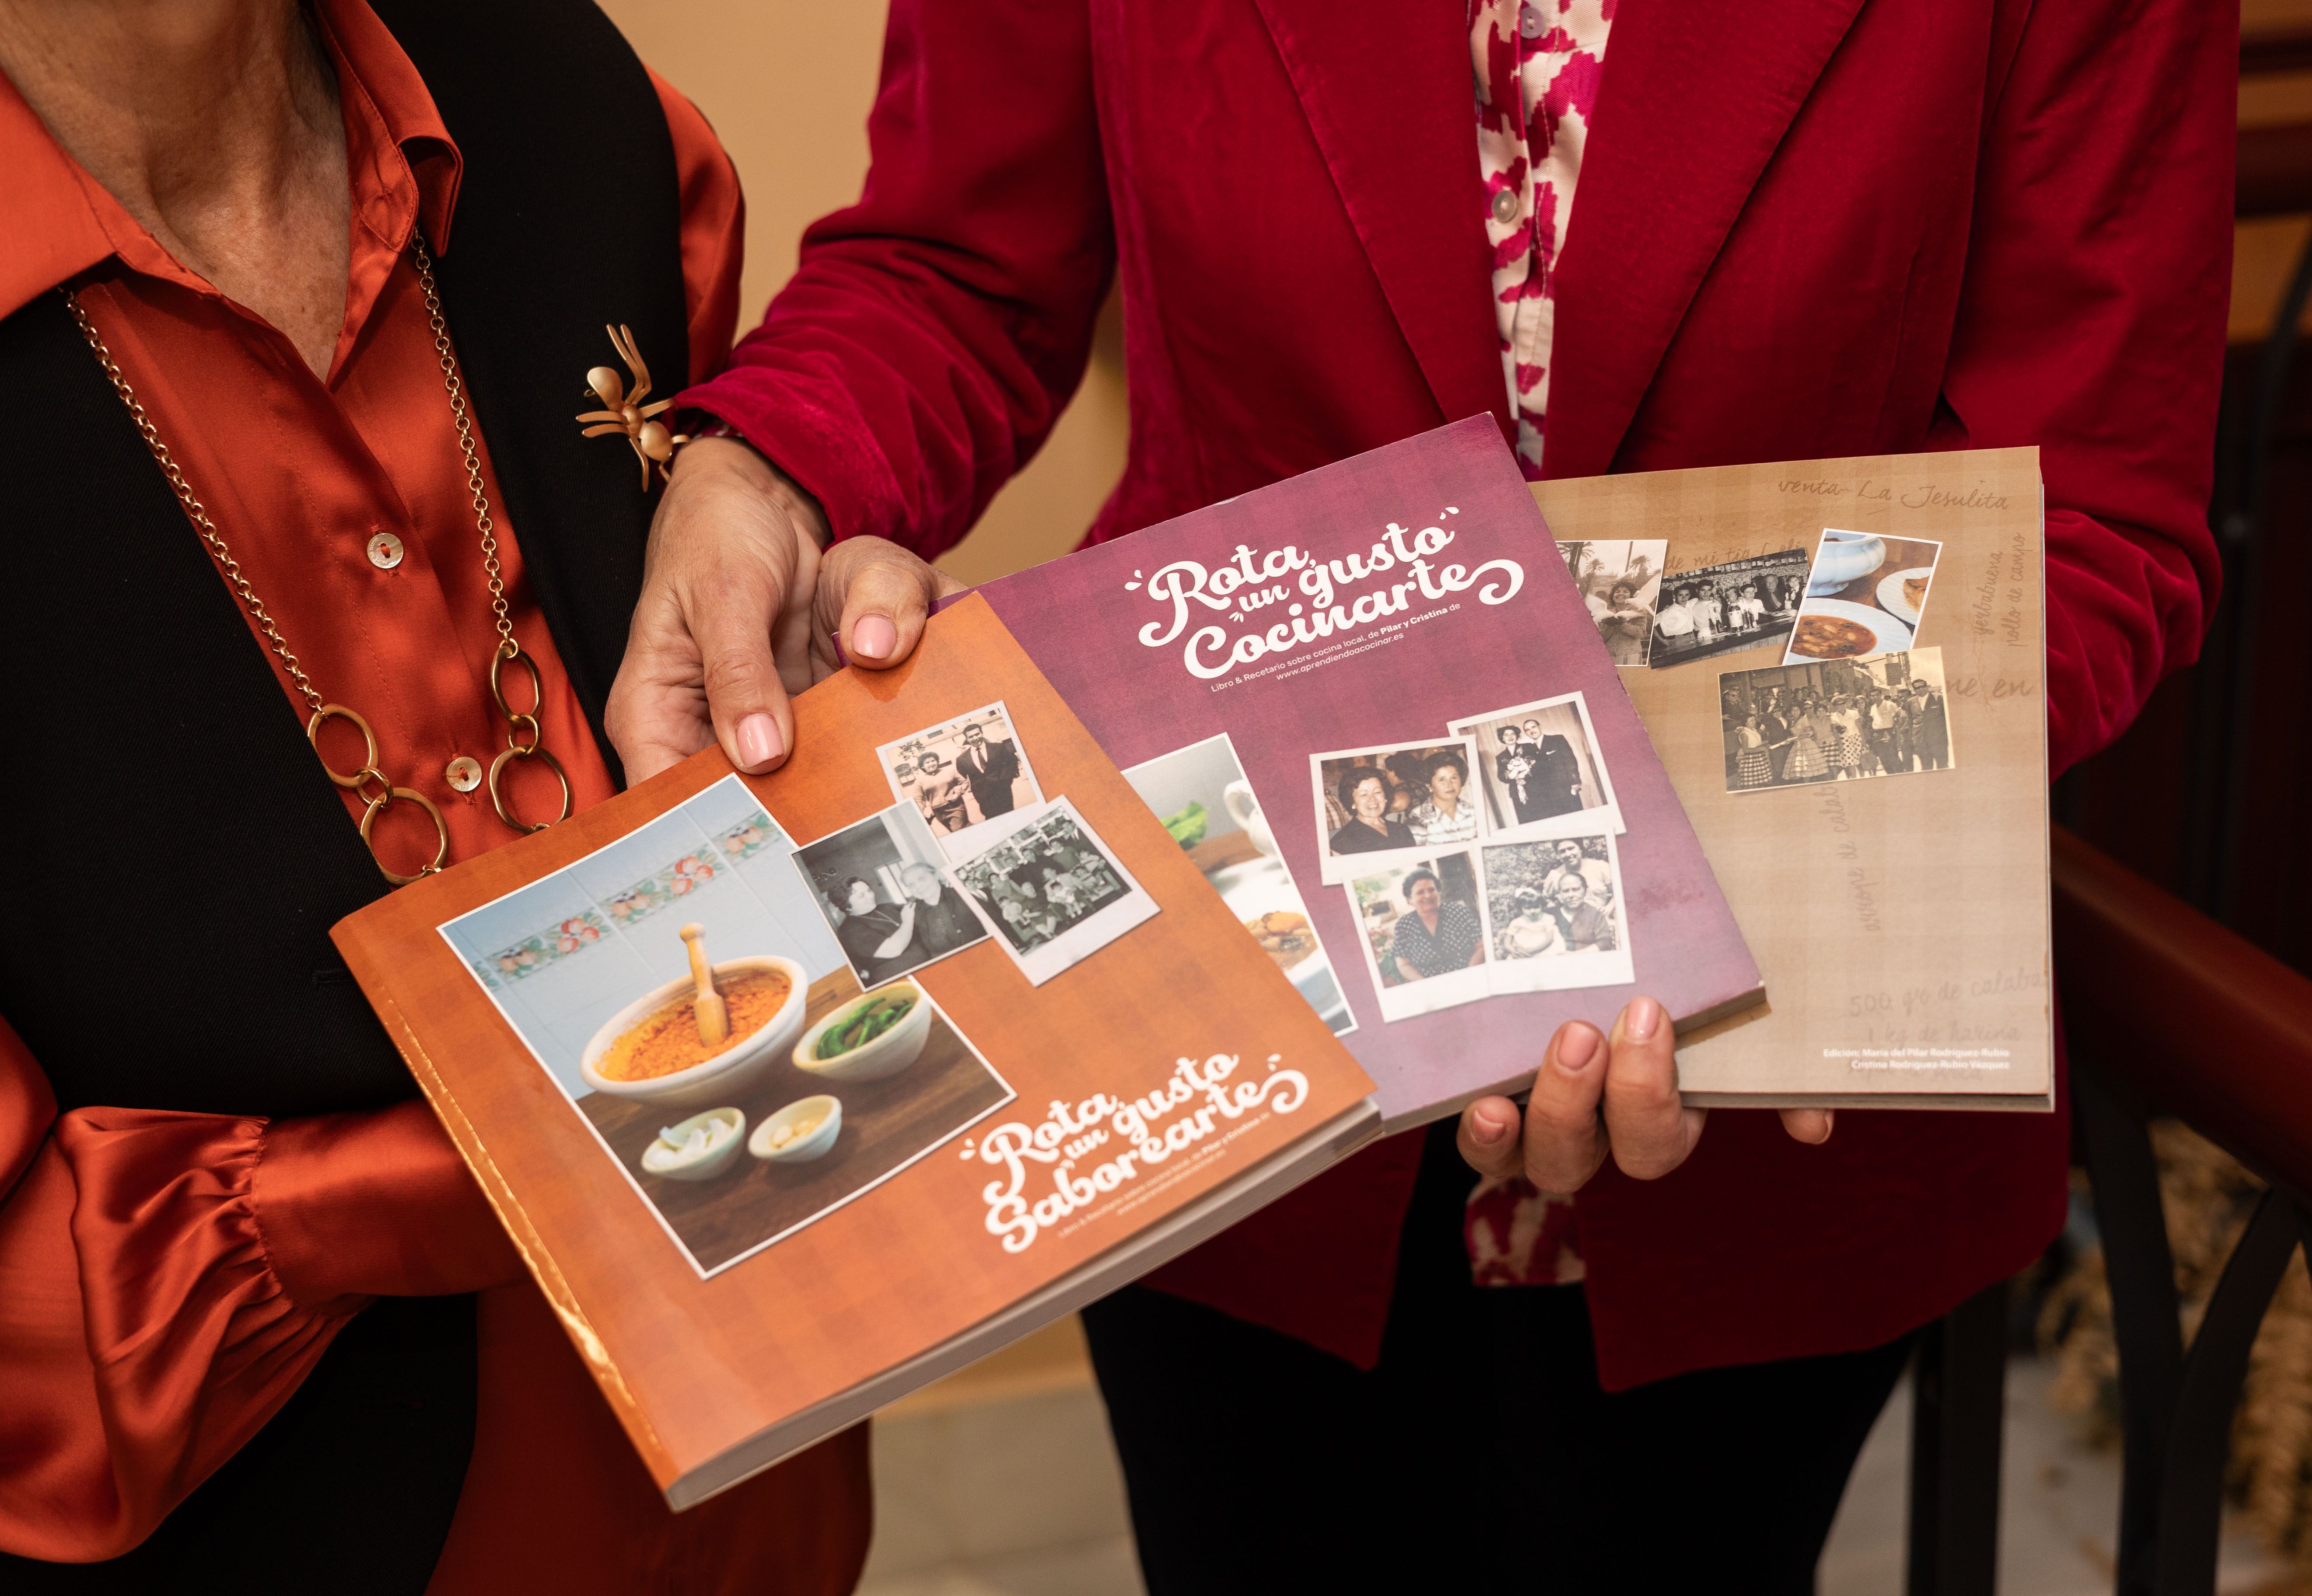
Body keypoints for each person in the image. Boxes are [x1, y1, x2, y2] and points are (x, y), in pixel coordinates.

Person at [601, 0, 2230, 1584]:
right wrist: (764, 468)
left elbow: (2087, 511)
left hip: (1753, 1083)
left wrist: (1722, 856)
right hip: (1237, 1016)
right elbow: (958, 267)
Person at [0, 0, 874, 1585]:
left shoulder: (561, 94)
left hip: (757, 1478)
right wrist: (428, 1186)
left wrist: (803, 667)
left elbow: (681, 647)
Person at [1389, 868, 1485, 982]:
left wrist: (1469, 975)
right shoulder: (1404, 926)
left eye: (1432, 890)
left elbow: (1481, 946)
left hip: (1470, 979)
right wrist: (1427, 985)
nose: (1428, 896)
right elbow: (1404, 965)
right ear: (1409, 900)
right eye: (1420, 892)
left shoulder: (1458, 912)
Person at [834, 876, 913, 982]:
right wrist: (908, 921)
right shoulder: (849, 930)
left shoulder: (886, 907)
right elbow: (894, 949)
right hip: (897, 980)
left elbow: (915, 908)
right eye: (862, 896)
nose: (871, 896)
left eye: (869, 891)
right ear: (847, 906)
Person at [1326, 766, 1417, 855]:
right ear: (1352, 802)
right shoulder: (1342, 842)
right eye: (1364, 795)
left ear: (1385, 797)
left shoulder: (1401, 830)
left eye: (1378, 792)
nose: (1372, 799)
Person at [899, 860, 982, 956]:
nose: (918, 887)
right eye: (911, 885)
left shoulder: (962, 895)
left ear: (936, 876)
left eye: (921, 879)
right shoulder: (912, 914)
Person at [1516, 717, 1585, 820]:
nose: (1531, 731)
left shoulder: (1557, 739)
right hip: (1546, 792)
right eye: (1527, 730)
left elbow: (1570, 761)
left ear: (1540, 727)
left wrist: (1575, 782)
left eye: (1533, 727)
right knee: (1558, 819)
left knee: (1574, 815)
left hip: (1564, 786)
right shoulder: (1529, 750)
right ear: (1526, 733)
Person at [954, 720, 1022, 822]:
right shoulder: (962, 759)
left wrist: (1005, 781)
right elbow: (962, 777)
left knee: (1009, 816)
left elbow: (1011, 763)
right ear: (967, 739)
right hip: (983, 795)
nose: (975, 738)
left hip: (1003, 790)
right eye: (971, 737)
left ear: (982, 733)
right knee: (992, 819)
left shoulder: (998, 748)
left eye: (977, 734)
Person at [1412, 754, 1480, 843]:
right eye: (1442, 780)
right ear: (1429, 786)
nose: (1449, 785)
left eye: (1454, 778)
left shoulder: (1472, 811)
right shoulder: (1419, 817)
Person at [1592, 578, 1654, 667]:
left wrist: (1622, 624)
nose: (1621, 594)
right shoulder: (1606, 613)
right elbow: (1602, 639)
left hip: (1630, 656)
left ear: (1631, 596)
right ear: (1613, 596)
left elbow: (1641, 633)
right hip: (1608, 656)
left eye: (1625, 592)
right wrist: (1611, 626)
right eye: (1617, 592)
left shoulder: (1640, 611)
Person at [909, 749, 972, 832]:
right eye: (927, 763)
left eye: (933, 761)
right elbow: (918, 799)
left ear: (937, 762)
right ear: (923, 766)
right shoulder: (919, 782)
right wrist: (922, 813)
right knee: (959, 829)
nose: (931, 764)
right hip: (939, 812)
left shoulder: (949, 772)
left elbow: (964, 782)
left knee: (958, 829)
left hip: (956, 806)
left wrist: (958, 793)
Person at [1499, 888, 1569, 959]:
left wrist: (1533, 951)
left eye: (1536, 907)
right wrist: (1512, 950)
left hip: (1544, 948)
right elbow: (1508, 939)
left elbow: (1549, 939)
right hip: (1524, 948)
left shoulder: (1548, 918)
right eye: (1528, 908)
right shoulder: (1517, 922)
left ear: (1542, 906)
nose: (1532, 911)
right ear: (1521, 909)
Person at [1554, 872, 1614, 953]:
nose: (1571, 895)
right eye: (1566, 891)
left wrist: (1575, 956)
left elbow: (1605, 943)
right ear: (1560, 893)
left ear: (1586, 890)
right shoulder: (1552, 914)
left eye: (1576, 890)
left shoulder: (1595, 915)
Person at [1784, 700, 1832, 783]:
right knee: (1803, 769)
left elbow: (1809, 734)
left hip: (1807, 745)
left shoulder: (1803, 719)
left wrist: (1792, 740)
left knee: (1808, 768)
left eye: (1797, 710)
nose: (1795, 712)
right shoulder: (1792, 721)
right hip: (1798, 745)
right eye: (1793, 710)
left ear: (1800, 711)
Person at [1912, 677, 1952, 771]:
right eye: (1917, 688)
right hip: (1922, 741)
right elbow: (1912, 721)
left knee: (1942, 765)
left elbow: (1947, 717)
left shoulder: (1939, 698)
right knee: (1926, 767)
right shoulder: (1911, 702)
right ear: (1914, 690)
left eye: (1922, 687)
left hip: (1938, 739)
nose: (1921, 689)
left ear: (1927, 687)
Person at [1733, 714, 1773, 789]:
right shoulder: (1744, 734)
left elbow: (1755, 743)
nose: (1754, 722)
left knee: (1762, 782)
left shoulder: (1754, 730)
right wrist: (1761, 749)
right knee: (1753, 784)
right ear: (1746, 723)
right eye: (1751, 720)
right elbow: (1746, 750)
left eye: (1754, 720)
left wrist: (1765, 744)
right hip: (1751, 760)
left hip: (1760, 758)